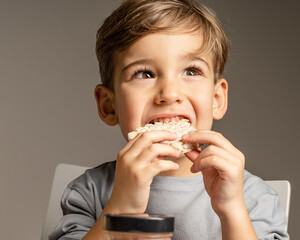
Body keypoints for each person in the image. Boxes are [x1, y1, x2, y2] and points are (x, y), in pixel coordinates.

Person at [49, 0, 289, 239]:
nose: (169, 94)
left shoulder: (252, 198)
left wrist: (233, 211)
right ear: (109, 106)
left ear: (216, 99)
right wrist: (121, 207)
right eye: (144, 74)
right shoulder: (89, 193)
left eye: (191, 71)